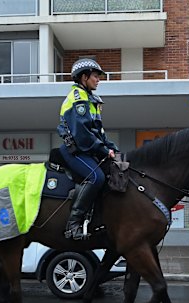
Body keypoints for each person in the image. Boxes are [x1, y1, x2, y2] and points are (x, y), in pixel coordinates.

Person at [56, 58, 119, 240]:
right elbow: (83, 134)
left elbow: (98, 133)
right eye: (95, 76)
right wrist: (103, 150)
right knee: (95, 177)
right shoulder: (78, 98)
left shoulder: (91, 100)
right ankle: (73, 223)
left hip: (87, 150)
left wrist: (112, 148)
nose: (98, 80)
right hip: (75, 151)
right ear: (84, 77)